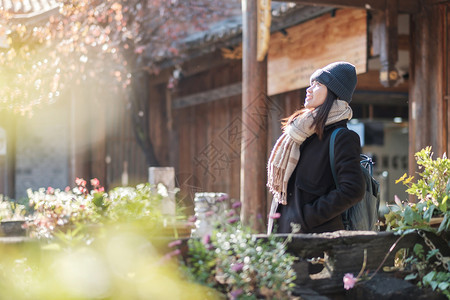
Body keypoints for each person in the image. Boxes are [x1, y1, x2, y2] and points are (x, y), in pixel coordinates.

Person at [267, 61, 365, 234]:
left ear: (335, 92)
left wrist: (305, 218)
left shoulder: (341, 136)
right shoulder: (301, 133)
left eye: (318, 84)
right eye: (311, 83)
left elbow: (353, 189)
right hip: (281, 237)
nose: (309, 89)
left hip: (313, 243)